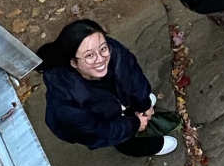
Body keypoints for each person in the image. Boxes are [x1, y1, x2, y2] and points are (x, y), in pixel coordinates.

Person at [37, 19, 178, 157]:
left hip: (111, 101)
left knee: (132, 103)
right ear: (74, 63)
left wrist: (144, 103)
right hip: (93, 125)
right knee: (122, 138)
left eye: (103, 48)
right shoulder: (66, 99)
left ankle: (130, 109)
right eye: (89, 55)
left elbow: (133, 75)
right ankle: (142, 147)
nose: (101, 59)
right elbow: (95, 133)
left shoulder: (113, 50)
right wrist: (134, 125)